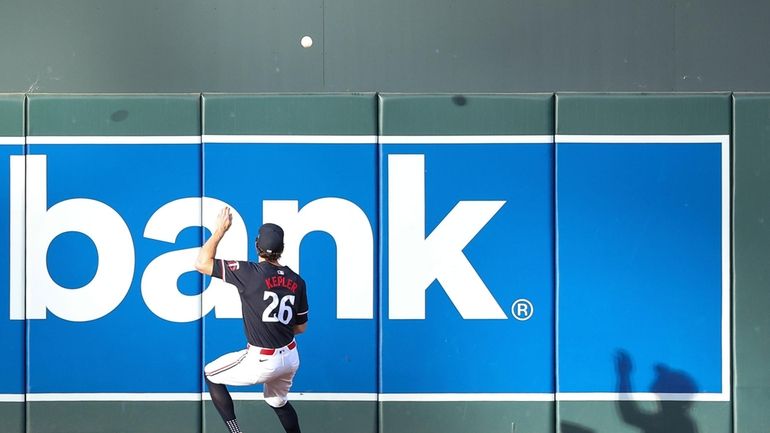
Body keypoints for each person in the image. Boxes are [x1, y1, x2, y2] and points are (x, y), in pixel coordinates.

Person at [195, 207, 308, 433]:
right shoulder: (297, 280)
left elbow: (201, 263)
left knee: (211, 374)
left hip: (262, 360)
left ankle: (236, 432)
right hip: (291, 357)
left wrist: (220, 230)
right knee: (278, 402)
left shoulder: (250, 272)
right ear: (282, 249)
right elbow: (301, 327)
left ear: (256, 246)